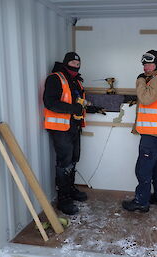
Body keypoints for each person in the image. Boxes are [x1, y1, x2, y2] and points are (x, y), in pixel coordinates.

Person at [43, 52, 105, 215]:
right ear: (65, 63)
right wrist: (74, 109)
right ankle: (63, 199)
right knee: (64, 162)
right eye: (72, 63)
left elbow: (77, 101)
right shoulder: (55, 79)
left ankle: (70, 190)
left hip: (74, 126)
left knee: (74, 159)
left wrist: (91, 108)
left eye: (78, 64)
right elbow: (50, 103)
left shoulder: (76, 81)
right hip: (60, 128)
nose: (75, 67)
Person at [122, 50, 157, 212]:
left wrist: (139, 81)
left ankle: (141, 201)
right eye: (144, 64)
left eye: (149, 64)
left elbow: (146, 98)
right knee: (153, 164)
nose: (146, 67)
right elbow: (151, 101)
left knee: (143, 168)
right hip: (156, 132)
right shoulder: (156, 78)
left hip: (153, 133)